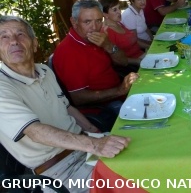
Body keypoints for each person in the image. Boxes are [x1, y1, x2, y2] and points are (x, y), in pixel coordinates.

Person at [0, 15, 130, 192]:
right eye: (4, 37)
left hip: (85, 149)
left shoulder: (44, 70)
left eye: (20, 34)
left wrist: (95, 133)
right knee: (134, 183)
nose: (14, 41)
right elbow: (35, 131)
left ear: (34, 43)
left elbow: (67, 108)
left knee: (148, 151)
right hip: (59, 172)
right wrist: (95, 144)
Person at [53, 0, 139, 108]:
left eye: (98, 20)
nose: (94, 27)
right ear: (74, 22)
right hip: (104, 106)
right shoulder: (67, 51)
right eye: (87, 22)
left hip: (120, 92)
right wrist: (119, 90)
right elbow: (78, 97)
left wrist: (109, 45)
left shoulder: (98, 37)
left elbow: (124, 62)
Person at [98, 0, 146, 71]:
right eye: (115, 10)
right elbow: (115, 59)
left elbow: (134, 39)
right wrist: (137, 61)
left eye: (119, 8)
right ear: (105, 14)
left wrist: (150, 45)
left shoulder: (118, 23)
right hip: (132, 65)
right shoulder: (107, 32)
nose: (119, 12)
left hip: (141, 55)